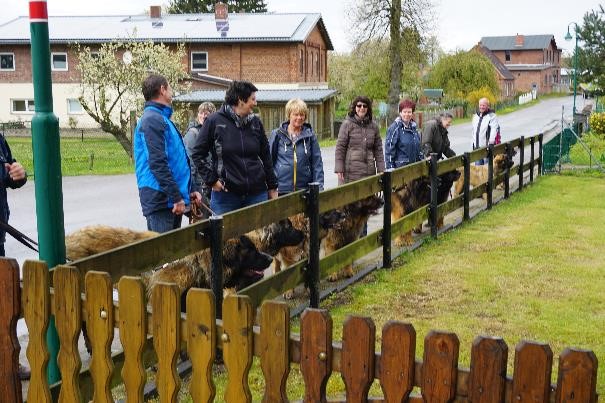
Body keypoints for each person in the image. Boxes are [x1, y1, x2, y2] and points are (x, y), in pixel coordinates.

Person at [191, 80, 278, 215]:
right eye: (252, 99)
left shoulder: (255, 123)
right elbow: (197, 153)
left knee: (260, 235)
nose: (255, 103)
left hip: (256, 195)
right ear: (240, 100)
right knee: (226, 236)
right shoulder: (214, 121)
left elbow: (266, 156)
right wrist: (212, 180)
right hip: (226, 197)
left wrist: (272, 186)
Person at [134, 74, 201, 233]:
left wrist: (191, 188)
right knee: (163, 255)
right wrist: (176, 197)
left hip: (170, 200)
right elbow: (158, 163)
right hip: (162, 201)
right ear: (162, 90)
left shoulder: (162, 119)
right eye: (170, 87)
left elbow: (177, 161)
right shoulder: (152, 120)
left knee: (172, 254)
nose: (172, 91)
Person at [269, 98, 324, 195]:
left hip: (304, 189)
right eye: (296, 114)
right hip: (281, 190)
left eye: (302, 115)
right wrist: (271, 187)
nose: (299, 118)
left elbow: (317, 164)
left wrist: (319, 188)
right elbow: (269, 162)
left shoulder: (310, 136)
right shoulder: (277, 134)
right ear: (289, 115)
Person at [335, 96, 385, 184]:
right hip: (351, 173)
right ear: (355, 108)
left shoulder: (374, 126)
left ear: (368, 109)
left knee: (369, 197)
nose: (362, 108)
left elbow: (378, 149)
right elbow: (340, 148)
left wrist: (381, 169)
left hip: (369, 172)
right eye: (359, 105)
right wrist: (339, 168)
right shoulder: (347, 124)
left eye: (365, 106)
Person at [183, 102, 216, 219]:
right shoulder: (193, 134)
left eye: (207, 113)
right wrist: (194, 190)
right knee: (201, 223)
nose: (203, 116)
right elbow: (189, 163)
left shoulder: (213, 133)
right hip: (200, 186)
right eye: (201, 113)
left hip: (212, 185)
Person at [421, 112, 460, 209]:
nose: (449, 125)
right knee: (428, 189)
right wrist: (429, 156)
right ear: (443, 119)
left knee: (439, 187)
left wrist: (455, 158)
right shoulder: (432, 125)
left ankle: (436, 212)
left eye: (450, 123)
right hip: (426, 161)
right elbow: (426, 143)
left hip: (436, 161)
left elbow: (446, 148)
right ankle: (430, 214)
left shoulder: (443, 130)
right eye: (448, 122)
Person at [384, 99, 423, 169]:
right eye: (404, 112)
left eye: (409, 112)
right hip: (401, 169)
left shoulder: (414, 128)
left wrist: (422, 159)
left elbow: (419, 148)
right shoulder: (394, 128)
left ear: (412, 113)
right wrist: (390, 169)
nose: (407, 114)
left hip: (415, 168)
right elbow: (389, 151)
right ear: (400, 113)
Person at [471, 97, 501, 164]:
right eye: (480, 105)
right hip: (477, 148)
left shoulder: (492, 116)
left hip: (486, 148)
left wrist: (491, 142)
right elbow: (473, 131)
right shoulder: (475, 116)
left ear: (487, 106)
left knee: (487, 170)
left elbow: (494, 129)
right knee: (478, 170)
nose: (481, 107)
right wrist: (473, 144)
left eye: (483, 105)